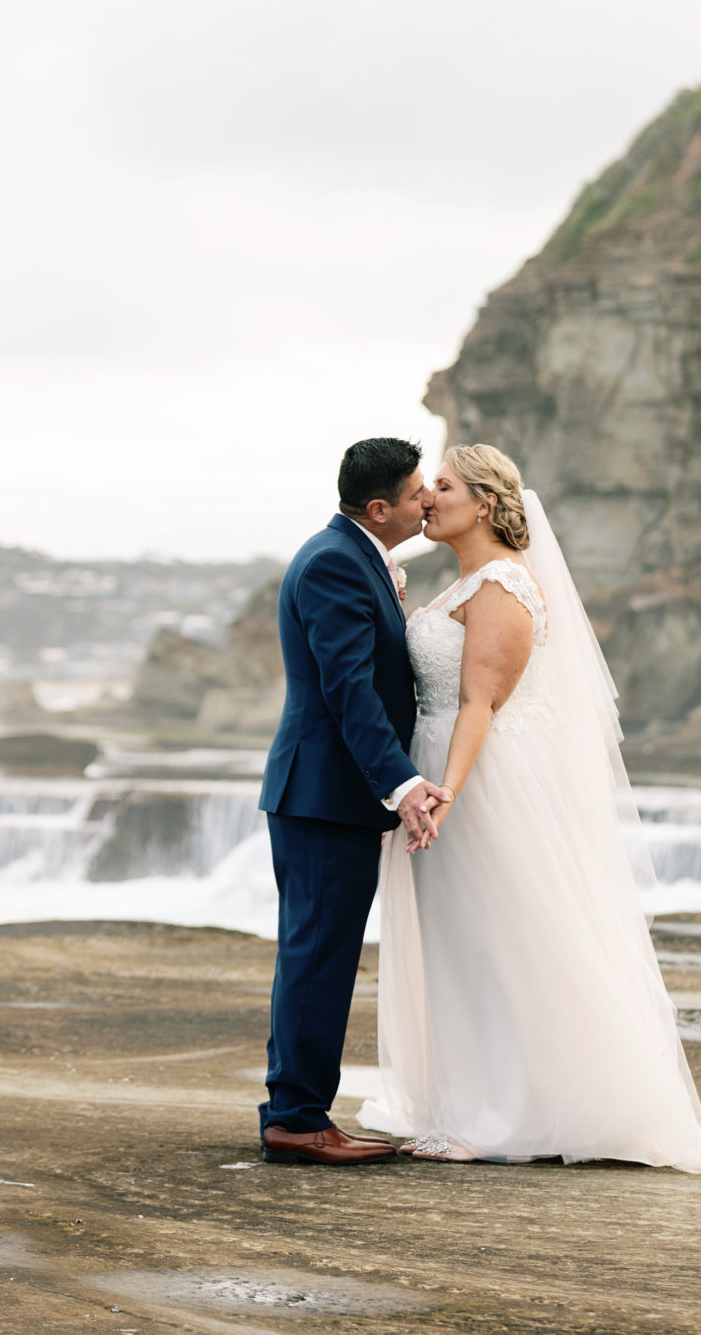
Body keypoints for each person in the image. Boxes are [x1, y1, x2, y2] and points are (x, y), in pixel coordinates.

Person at [361, 443, 701, 1172]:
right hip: (443, 768)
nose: (429, 497)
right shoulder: (460, 582)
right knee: (464, 943)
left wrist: (448, 791)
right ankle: (473, 1100)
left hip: (482, 777)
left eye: (443, 486)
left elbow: (481, 701)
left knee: (497, 941)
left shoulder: (501, 582)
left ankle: (503, 1118)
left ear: (487, 505)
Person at [255, 437, 452, 1165]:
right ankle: (298, 1119)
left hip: (325, 794)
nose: (425, 499)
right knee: (318, 956)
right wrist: (401, 785)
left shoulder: (353, 553)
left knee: (315, 953)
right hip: (324, 794)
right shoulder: (337, 560)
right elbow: (349, 689)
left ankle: (295, 1107)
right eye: (413, 494)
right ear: (379, 508)